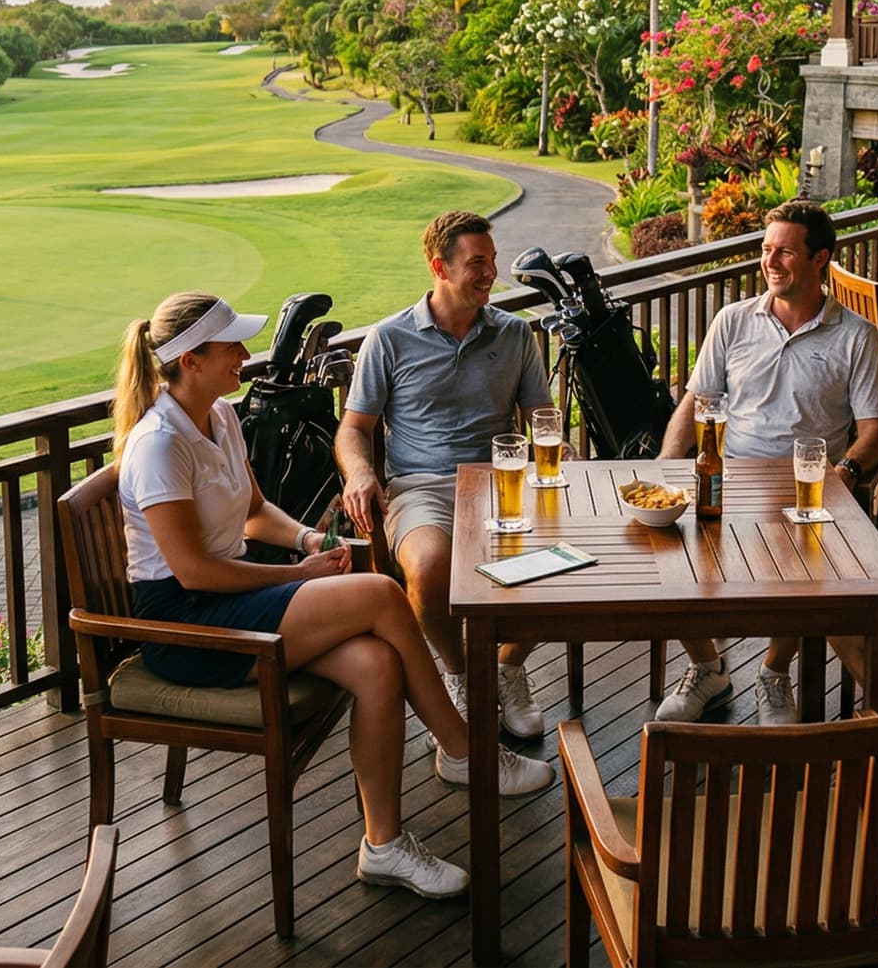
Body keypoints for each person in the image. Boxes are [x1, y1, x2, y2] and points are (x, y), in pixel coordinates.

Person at [112, 291, 553, 901]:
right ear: (191, 359)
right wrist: (302, 574)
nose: (246, 354)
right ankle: (464, 749)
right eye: (232, 346)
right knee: (378, 594)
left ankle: (384, 846)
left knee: (375, 666)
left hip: (224, 601)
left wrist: (309, 538)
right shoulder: (160, 443)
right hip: (188, 630)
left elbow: (256, 512)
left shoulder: (220, 418)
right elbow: (193, 574)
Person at [654, 200, 878, 726]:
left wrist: (845, 475)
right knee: (662, 557)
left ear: (819, 259)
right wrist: (667, 468)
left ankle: (774, 671)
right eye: (766, 249)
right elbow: (696, 401)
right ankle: (707, 666)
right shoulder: (733, 321)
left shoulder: (856, 336)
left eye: (784, 251)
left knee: (803, 568)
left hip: (806, 489)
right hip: (728, 476)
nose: (770, 261)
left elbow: (876, 430)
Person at [335, 211, 560, 754]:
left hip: (502, 484)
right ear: (439, 267)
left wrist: (559, 446)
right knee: (430, 568)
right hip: (422, 488)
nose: (491, 273)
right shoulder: (388, 340)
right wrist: (362, 472)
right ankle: (461, 675)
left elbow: (541, 415)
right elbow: (354, 429)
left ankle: (506, 668)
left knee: (568, 566)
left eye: (492, 260)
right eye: (476, 263)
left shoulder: (513, 334)